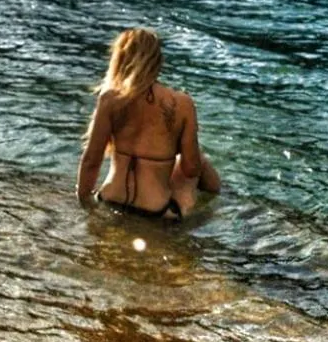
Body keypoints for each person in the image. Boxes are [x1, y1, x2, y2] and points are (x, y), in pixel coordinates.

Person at [76, 27, 220, 219]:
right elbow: (191, 168)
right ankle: (224, 201)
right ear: (157, 62)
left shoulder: (110, 99)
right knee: (199, 161)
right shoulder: (182, 103)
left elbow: (91, 161)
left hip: (110, 199)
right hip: (157, 211)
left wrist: (84, 203)